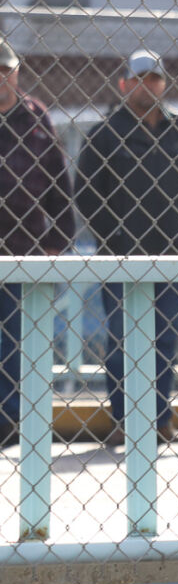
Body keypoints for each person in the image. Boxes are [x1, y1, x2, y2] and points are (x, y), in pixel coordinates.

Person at [75, 49, 178, 444]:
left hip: (172, 258)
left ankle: (158, 419)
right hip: (119, 261)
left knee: (165, 339)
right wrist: (113, 237)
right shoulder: (104, 134)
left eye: (154, 78)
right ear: (124, 84)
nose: (147, 85)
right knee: (122, 340)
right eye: (139, 78)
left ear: (164, 84)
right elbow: (86, 193)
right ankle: (124, 420)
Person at [0, 37, 75, 450]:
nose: (0, 77)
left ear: (16, 71)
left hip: (24, 248)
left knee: (17, 337)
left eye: (4, 69)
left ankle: (10, 419)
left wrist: (56, 239)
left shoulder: (34, 117)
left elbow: (58, 183)